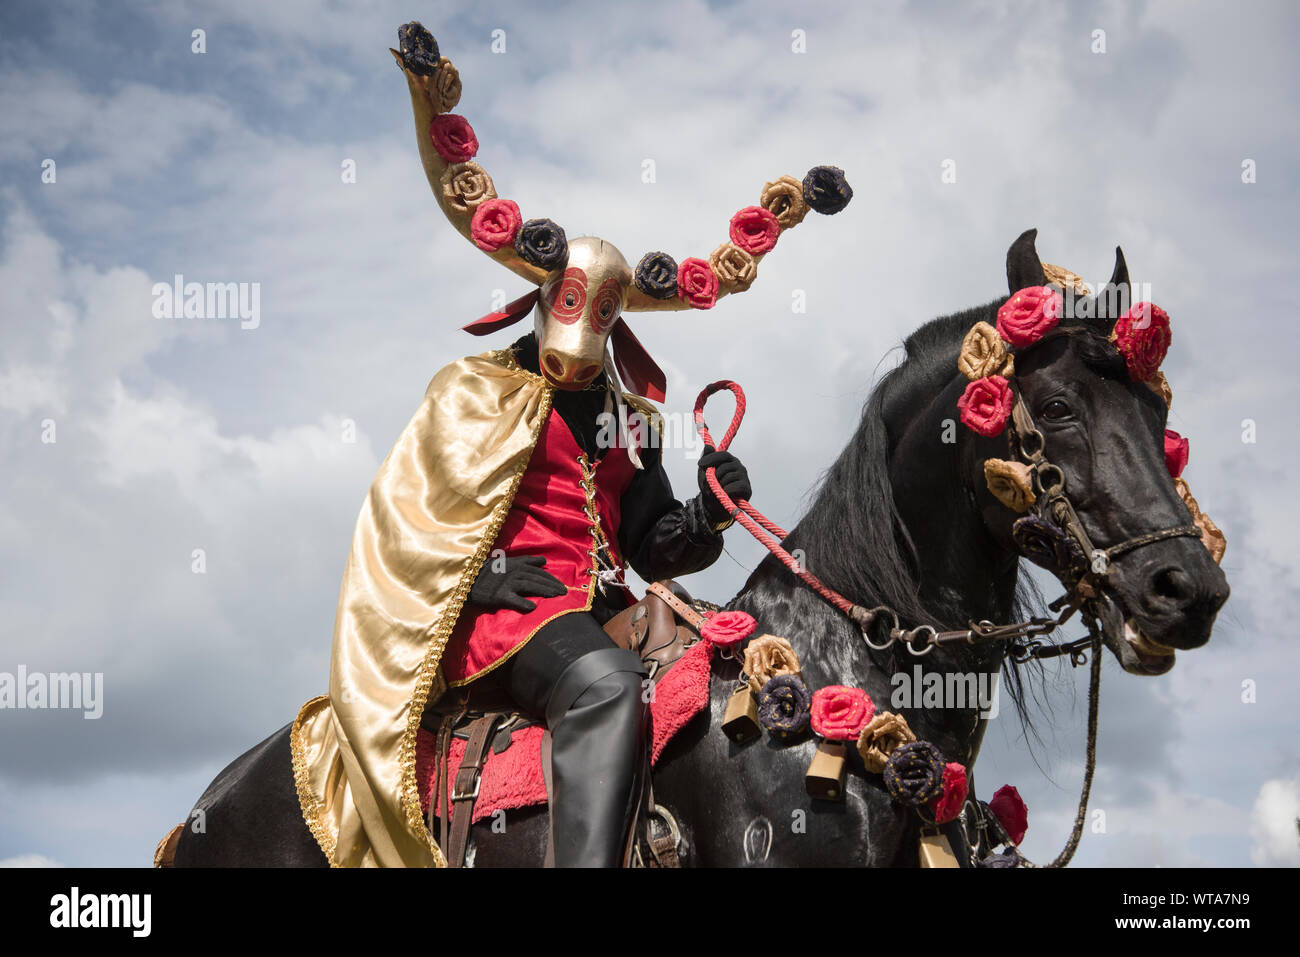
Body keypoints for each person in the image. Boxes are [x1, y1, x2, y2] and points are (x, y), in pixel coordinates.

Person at [287, 21, 851, 867]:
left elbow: (650, 547)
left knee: (727, 665)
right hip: (502, 623)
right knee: (604, 685)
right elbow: (401, 522)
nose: (580, 357)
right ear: (541, 303)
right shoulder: (475, 390)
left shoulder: (632, 421)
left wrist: (706, 510)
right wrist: (479, 578)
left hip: (599, 611)